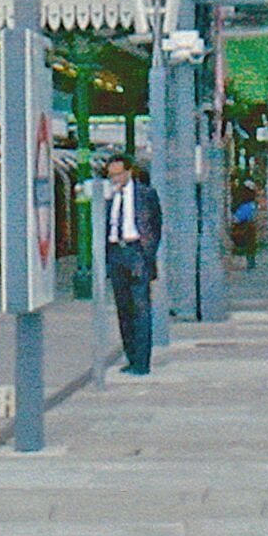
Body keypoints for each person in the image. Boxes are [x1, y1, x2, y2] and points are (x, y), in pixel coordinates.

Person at [103, 155, 163, 375]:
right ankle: (131, 357)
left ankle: (142, 362)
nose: (115, 179)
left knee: (140, 309)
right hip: (115, 252)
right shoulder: (108, 196)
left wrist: (147, 255)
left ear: (129, 172)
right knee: (123, 310)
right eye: (111, 175)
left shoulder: (146, 194)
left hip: (136, 251)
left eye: (118, 174)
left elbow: (155, 225)